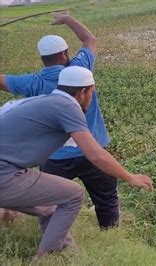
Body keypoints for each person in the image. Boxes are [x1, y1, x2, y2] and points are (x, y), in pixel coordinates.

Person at [0, 66, 153, 257]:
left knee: (51, 205)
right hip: (6, 175)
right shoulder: (68, 107)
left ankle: (69, 254)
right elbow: (95, 154)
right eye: (92, 93)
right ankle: (47, 257)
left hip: (10, 172)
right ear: (83, 92)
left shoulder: (44, 101)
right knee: (74, 195)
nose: (91, 98)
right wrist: (130, 177)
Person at [0, 12, 120, 228]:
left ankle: (55, 239)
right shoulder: (81, 70)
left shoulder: (32, 83)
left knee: (51, 203)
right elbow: (90, 40)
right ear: (65, 54)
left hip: (55, 159)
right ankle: (109, 233)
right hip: (92, 153)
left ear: (42, 59)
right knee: (107, 201)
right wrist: (68, 19)